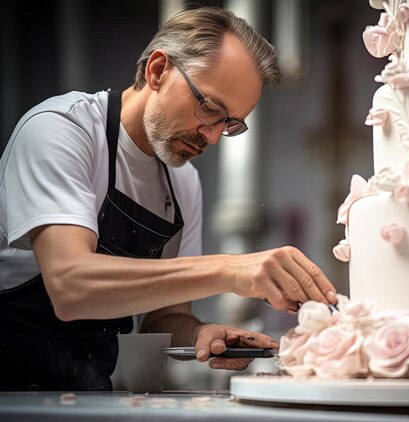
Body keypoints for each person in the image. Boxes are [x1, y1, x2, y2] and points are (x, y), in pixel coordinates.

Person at [0, 6, 337, 391]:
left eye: (230, 124)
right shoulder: (61, 131)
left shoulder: (182, 181)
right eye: (209, 108)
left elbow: (164, 318)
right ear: (157, 70)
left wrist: (200, 334)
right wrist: (229, 270)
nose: (211, 137)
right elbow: (70, 285)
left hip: (87, 391)